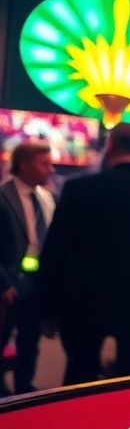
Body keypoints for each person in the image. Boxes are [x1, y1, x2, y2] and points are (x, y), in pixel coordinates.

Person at [38, 124, 130, 384]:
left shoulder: (78, 190)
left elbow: (54, 252)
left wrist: (48, 309)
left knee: (79, 380)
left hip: (84, 304)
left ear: (110, 147)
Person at [0, 142, 56, 394]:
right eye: (44, 164)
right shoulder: (3, 195)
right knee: (3, 337)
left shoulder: (48, 197)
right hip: (9, 281)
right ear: (24, 165)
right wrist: (3, 283)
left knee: (30, 339)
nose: (51, 169)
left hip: (38, 280)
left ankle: (24, 389)